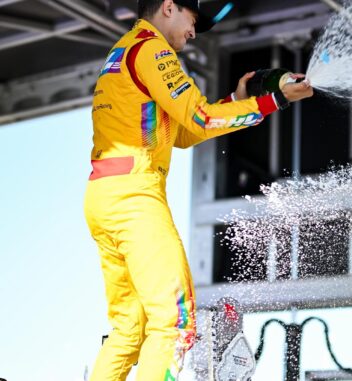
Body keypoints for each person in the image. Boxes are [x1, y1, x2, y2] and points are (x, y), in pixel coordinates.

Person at [83, 1, 313, 380]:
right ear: (169, 7)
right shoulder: (153, 48)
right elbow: (200, 117)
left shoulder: (125, 47)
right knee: (175, 323)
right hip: (135, 198)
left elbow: (187, 132)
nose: (194, 33)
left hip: (105, 195)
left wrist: (238, 102)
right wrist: (275, 99)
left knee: (127, 329)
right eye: (193, 21)